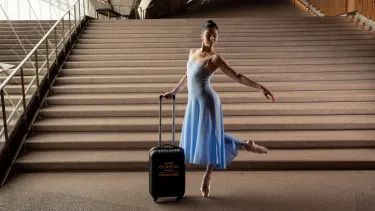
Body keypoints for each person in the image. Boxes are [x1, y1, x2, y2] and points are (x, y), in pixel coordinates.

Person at [162, 20, 275, 198]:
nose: (212, 39)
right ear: (202, 36)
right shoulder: (192, 52)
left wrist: (260, 87)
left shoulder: (215, 59)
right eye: (209, 35)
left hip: (208, 102)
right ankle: (245, 145)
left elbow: (237, 77)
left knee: (213, 136)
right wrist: (175, 91)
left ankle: (207, 176)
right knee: (206, 135)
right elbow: (188, 75)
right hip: (194, 103)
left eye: (215, 36)